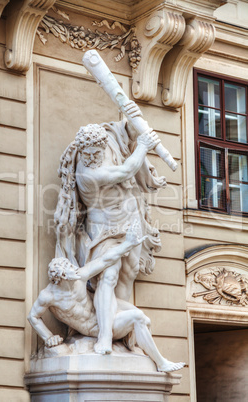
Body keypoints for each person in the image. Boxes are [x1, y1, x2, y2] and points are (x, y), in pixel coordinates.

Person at [54, 101, 166, 354]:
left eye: (97, 153)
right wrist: (145, 147)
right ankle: (104, 336)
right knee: (107, 276)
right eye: (88, 155)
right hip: (103, 226)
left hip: (129, 221)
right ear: (80, 151)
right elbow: (126, 170)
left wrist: (133, 122)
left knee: (128, 272)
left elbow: (123, 138)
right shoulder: (88, 174)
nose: (93, 158)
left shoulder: (106, 145)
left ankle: (120, 334)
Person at [28, 226, 185, 372]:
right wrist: (48, 337)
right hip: (94, 329)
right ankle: (161, 363)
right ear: (60, 278)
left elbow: (105, 260)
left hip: (106, 318)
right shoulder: (49, 296)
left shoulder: (79, 277)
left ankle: (158, 360)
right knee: (139, 318)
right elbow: (33, 316)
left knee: (143, 318)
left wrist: (128, 244)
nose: (76, 273)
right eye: (70, 272)